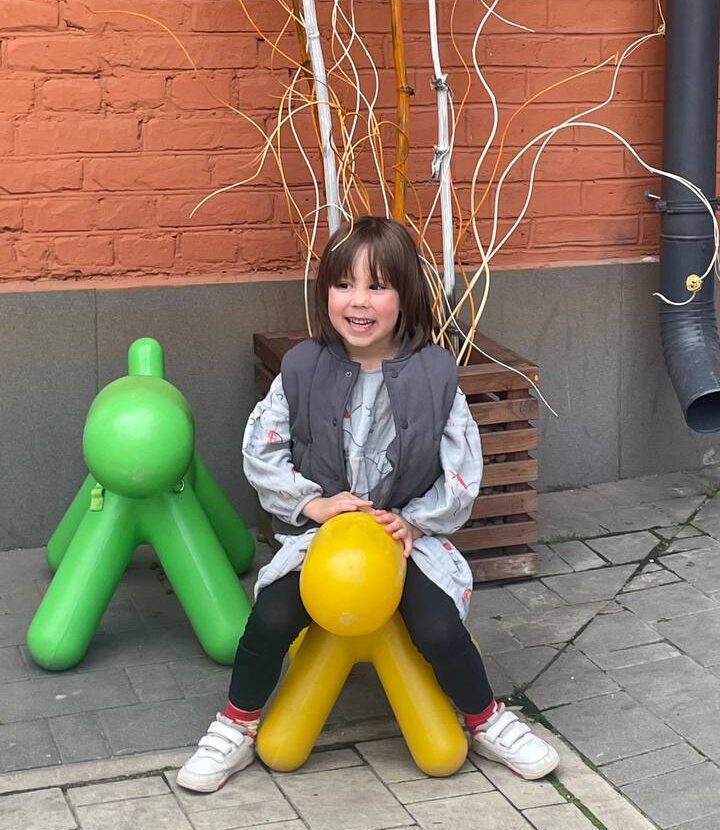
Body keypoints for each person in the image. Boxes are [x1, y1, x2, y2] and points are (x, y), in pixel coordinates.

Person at [177, 216, 558, 793]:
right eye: (343, 284)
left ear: (405, 297)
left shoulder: (434, 375)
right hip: (324, 540)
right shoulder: (302, 369)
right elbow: (262, 449)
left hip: (403, 540)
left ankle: (485, 719)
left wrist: (415, 521)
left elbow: (462, 468)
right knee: (271, 617)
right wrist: (313, 505)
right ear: (325, 291)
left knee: (438, 628)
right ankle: (237, 723)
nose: (358, 301)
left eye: (377, 286)